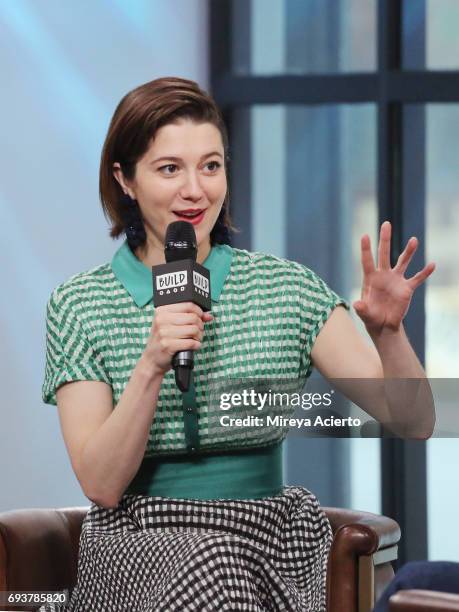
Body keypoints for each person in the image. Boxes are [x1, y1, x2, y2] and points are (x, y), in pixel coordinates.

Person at [39, 76, 436, 612]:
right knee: (213, 563)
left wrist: (388, 334)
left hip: (273, 540)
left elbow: (412, 420)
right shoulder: (80, 304)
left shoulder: (285, 288)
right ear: (125, 179)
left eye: (211, 165)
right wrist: (153, 363)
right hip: (137, 542)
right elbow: (102, 485)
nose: (194, 190)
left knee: (221, 562)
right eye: (169, 169)